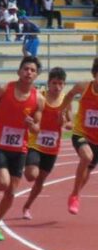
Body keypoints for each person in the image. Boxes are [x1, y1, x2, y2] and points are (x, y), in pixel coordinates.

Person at [0, 56, 44, 241]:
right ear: (19, 71)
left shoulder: (38, 99)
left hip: (20, 147)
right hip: (0, 143)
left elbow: (37, 129)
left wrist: (31, 125)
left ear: (36, 75)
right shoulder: (4, 89)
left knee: (11, 192)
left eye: (32, 70)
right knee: (3, 183)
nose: (28, 73)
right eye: (26, 69)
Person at [21, 67, 70, 219]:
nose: (57, 87)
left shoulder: (65, 101)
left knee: (40, 180)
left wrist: (64, 123)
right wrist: (28, 119)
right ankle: (12, 171)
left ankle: (27, 206)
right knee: (30, 175)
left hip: (52, 148)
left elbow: (70, 123)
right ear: (48, 83)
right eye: (54, 83)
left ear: (64, 85)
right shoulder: (39, 97)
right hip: (35, 143)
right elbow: (28, 111)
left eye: (60, 84)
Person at [58, 57, 98, 215]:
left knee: (87, 171)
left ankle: (76, 193)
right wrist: (61, 111)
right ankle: (75, 194)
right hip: (81, 133)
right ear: (95, 74)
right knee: (87, 157)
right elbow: (69, 94)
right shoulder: (84, 87)